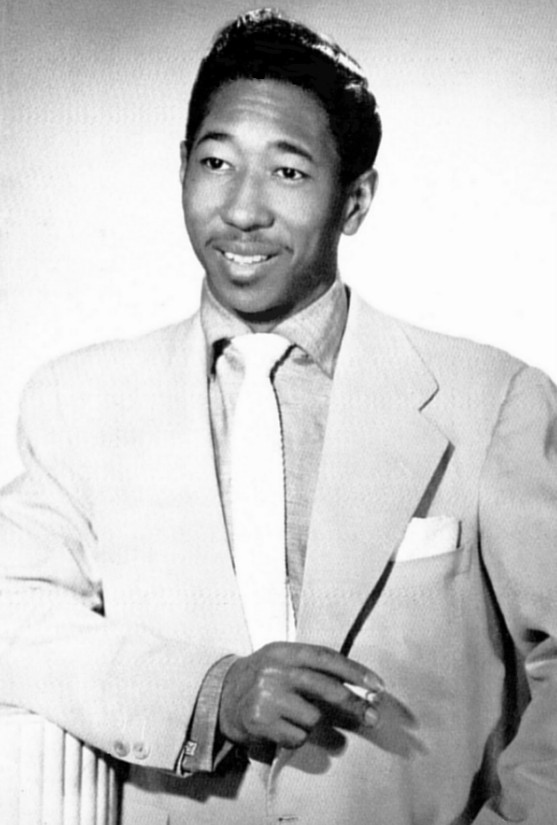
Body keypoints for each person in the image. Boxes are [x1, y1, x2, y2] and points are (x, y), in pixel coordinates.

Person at [1, 8, 556, 824]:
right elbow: (13, 612)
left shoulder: (493, 397)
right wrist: (212, 692)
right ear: (181, 168)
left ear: (355, 200)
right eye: (215, 162)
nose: (241, 210)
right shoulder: (78, 401)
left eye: (287, 172)